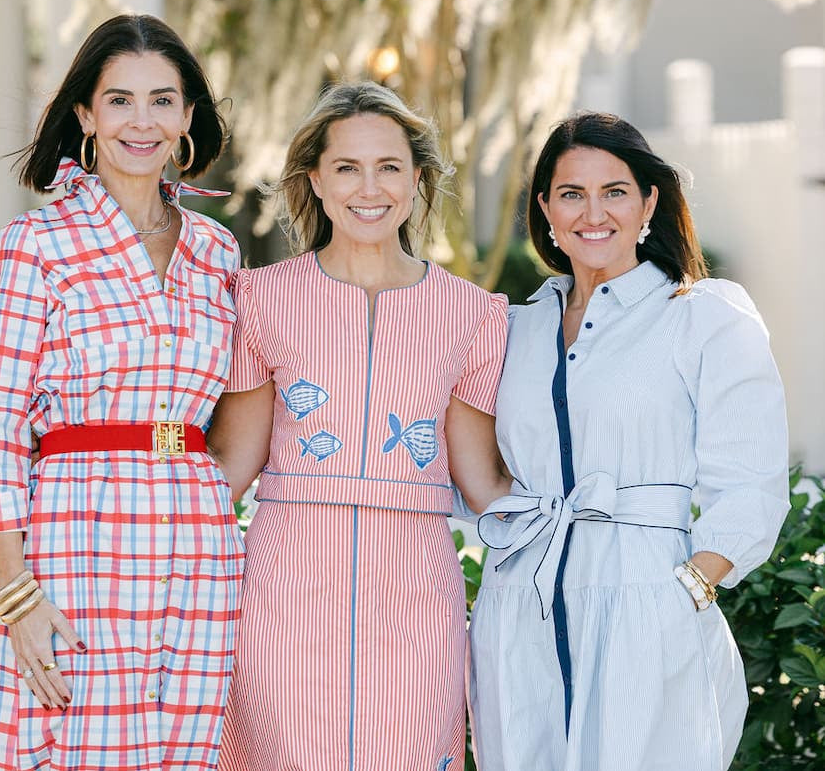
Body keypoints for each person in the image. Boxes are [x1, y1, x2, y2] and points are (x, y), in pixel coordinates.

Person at [0, 14, 245, 771]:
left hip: (198, 538)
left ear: (188, 117)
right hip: (79, 534)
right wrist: (18, 599)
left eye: (162, 101)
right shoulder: (33, 245)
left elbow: (235, 408)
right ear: (85, 113)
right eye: (120, 101)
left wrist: (210, 499)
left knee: (188, 745)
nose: (141, 122)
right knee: (75, 744)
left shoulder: (217, 251)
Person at [469, 112, 790, 771]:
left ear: (649, 201)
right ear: (545, 210)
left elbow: (754, 482)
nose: (594, 212)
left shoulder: (701, 315)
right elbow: (486, 472)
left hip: (648, 605)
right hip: (519, 608)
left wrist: (690, 589)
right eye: (571, 193)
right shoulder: (513, 328)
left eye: (615, 190)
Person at [206, 81, 511, 771]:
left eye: (389, 167)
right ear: (314, 178)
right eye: (347, 167)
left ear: (417, 179)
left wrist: (587, 542)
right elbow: (232, 463)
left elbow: (482, 478)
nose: (368, 188)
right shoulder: (259, 299)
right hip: (284, 587)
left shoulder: (473, 314)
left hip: (418, 592)